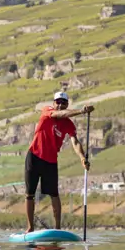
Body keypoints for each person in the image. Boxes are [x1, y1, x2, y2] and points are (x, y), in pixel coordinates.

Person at [24, 91, 92, 233]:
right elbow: (58, 114)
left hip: (50, 161)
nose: (60, 105)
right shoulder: (47, 110)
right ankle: (30, 228)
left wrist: (82, 157)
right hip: (34, 156)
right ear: (54, 103)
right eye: (58, 102)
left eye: (63, 102)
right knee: (30, 194)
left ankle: (58, 229)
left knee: (54, 194)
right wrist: (81, 111)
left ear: (67, 104)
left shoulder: (68, 124)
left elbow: (75, 142)